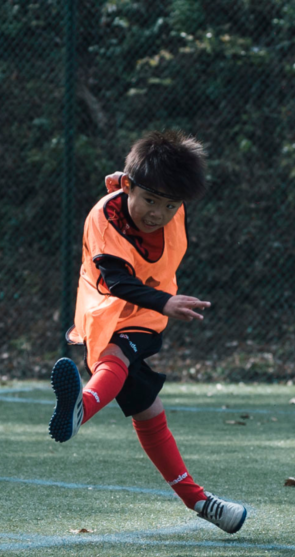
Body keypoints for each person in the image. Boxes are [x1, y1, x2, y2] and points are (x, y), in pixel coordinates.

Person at [49, 130, 247, 533]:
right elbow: (117, 282)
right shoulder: (104, 219)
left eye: (170, 205)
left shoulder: (163, 197)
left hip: (147, 314)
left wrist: (138, 186)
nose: (158, 213)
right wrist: (166, 303)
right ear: (128, 187)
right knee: (122, 363)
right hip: (107, 307)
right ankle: (80, 409)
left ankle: (199, 501)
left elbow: (154, 184)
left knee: (149, 410)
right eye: (151, 201)